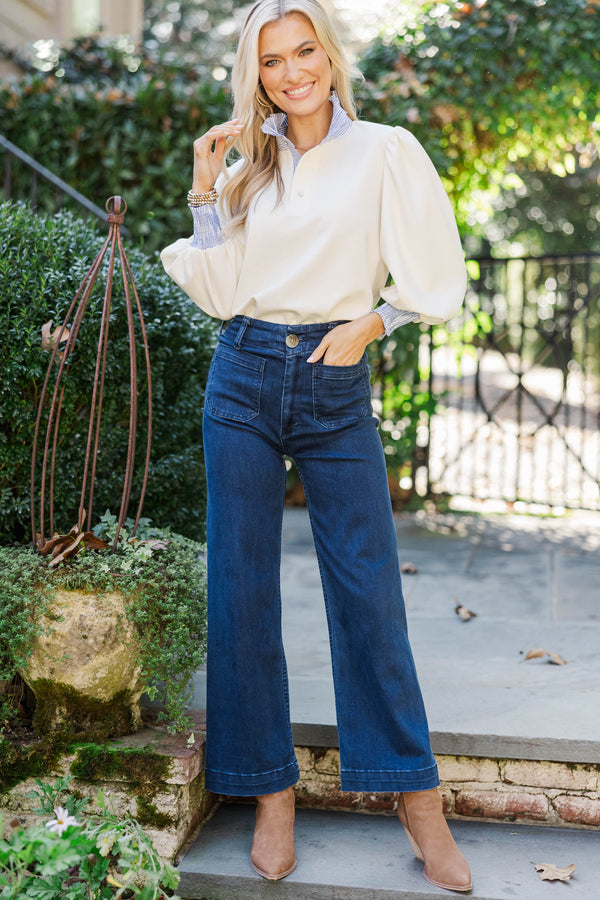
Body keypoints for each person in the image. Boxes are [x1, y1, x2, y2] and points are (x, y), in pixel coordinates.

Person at [161, 0, 471, 892]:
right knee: (243, 588)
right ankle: (269, 792)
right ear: (253, 74)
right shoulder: (245, 168)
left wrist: (374, 321)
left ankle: (415, 796)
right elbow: (221, 292)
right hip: (245, 372)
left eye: (304, 53)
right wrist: (203, 187)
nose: (291, 73)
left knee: (369, 589)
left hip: (334, 377)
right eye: (271, 62)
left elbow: (432, 273)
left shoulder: (385, 150)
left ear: (330, 58)